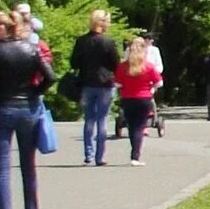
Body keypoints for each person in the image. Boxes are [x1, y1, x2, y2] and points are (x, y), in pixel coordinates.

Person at [0, 10, 54, 209]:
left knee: (2, 165)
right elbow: (50, 76)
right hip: (27, 109)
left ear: (0, 28)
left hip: (2, 109)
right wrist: (33, 92)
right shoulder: (31, 49)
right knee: (28, 164)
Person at [69, 9, 120, 166]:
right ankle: (100, 156)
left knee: (89, 119)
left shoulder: (81, 41)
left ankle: (88, 154)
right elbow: (115, 64)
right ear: (103, 23)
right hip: (105, 84)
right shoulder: (108, 42)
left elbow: (74, 63)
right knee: (102, 119)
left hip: (87, 83)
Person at [114, 37, 161, 166]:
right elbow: (159, 82)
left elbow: (117, 83)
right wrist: (151, 89)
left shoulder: (123, 66)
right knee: (140, 127)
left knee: (131, 126)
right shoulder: (148, 66)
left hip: (127, 98)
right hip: (144, 98)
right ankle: (135, 156)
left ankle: (134, 153)